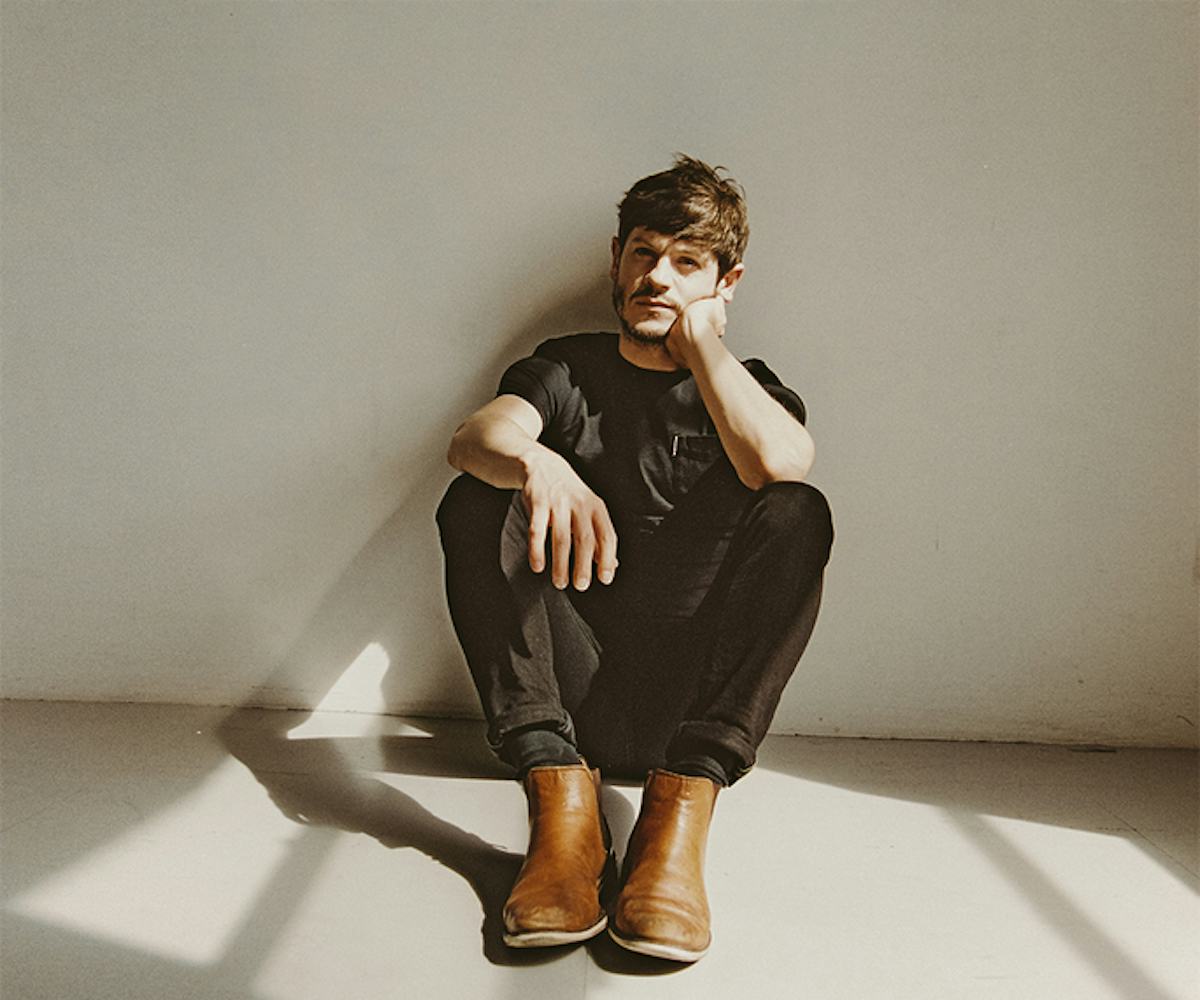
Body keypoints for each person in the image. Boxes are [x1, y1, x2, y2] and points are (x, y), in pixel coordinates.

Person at [436, 155, 833, 963]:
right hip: (573, 701)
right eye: (644, 253)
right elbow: (475, 438)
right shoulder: (568, 367)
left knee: (800, 513)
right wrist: (539, 464)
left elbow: (782, 465)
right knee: (478, 495)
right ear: (616, 260)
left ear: (727, 282)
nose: (658, 276)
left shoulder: (750, 387)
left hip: (688, 712)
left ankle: (675, 834)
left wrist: (703, 347)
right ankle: (560, 816)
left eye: (687, 262)